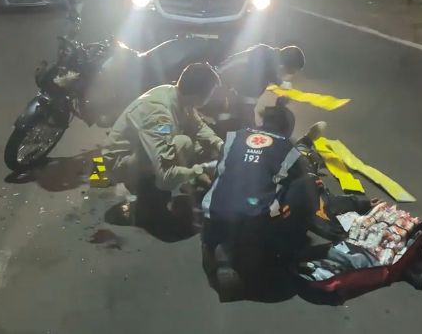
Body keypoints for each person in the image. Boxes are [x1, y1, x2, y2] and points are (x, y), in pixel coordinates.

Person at [200, 97, 374, 301]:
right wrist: (360, 204)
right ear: (287, 129)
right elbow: (310, 190)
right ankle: (324, 237)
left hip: (213, 213)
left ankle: (223, 247)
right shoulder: (287, 149)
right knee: (307, 184)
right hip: (254, 221)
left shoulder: (234, 137)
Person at [102, 63, 225, 229]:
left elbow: (198, 126)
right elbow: (165, 175)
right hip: (118, 163)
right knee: (184, 144)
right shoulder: (159, 115)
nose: (213, 96)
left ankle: (154, 188)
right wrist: (199, 171)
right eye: (211, 92)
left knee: (195, 144)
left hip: (136, 152)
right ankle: (146, 194)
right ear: (199, 94)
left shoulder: (178, 95)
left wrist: (221, 145)